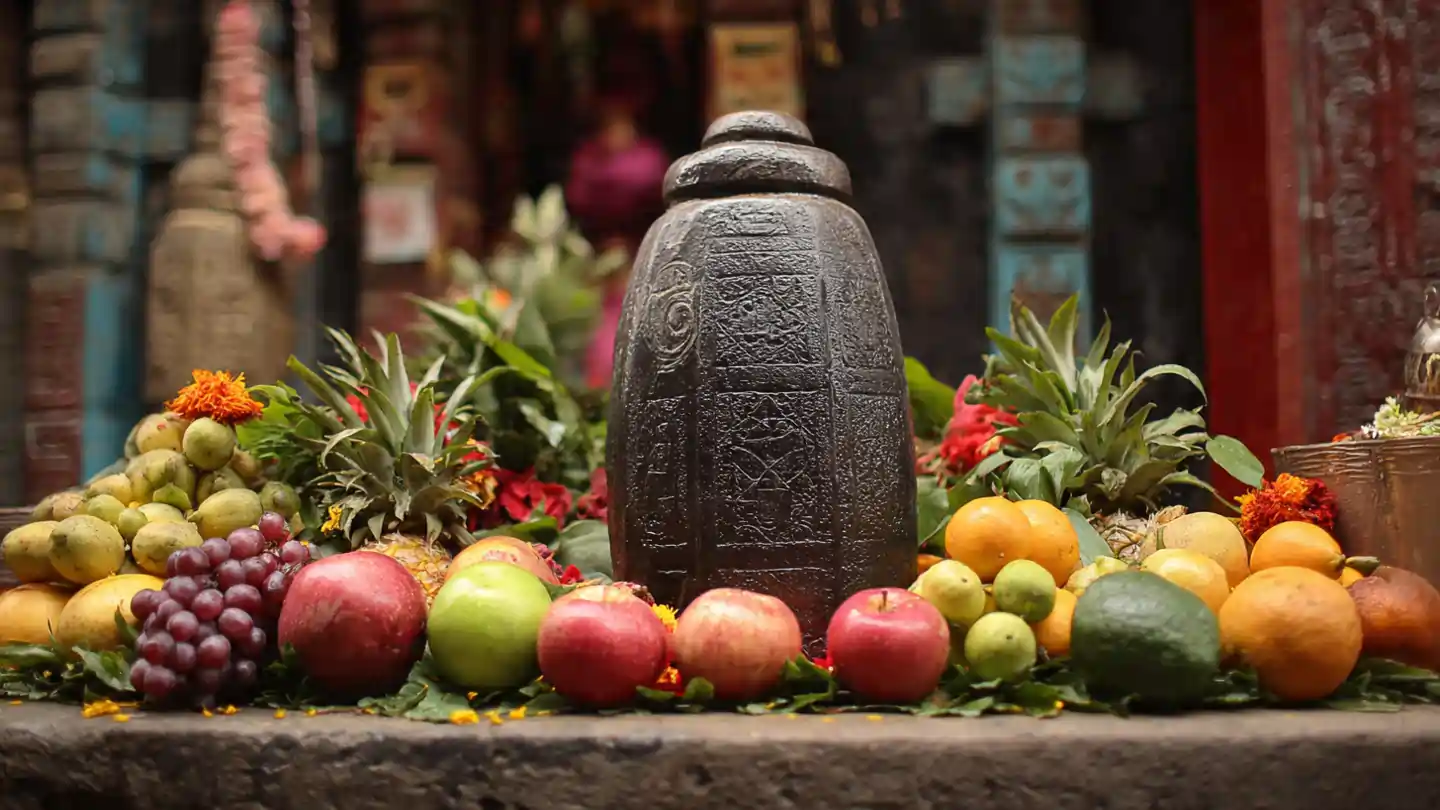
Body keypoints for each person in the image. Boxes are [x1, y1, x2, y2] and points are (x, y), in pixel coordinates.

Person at [565, 91, 670, 389]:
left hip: (643, 248)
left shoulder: (649, 158)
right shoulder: (589, 159)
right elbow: (577, 198)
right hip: (598, 253)